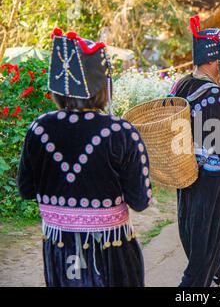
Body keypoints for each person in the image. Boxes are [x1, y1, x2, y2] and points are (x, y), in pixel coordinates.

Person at [16, 28, 152, 287]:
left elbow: (25, 190)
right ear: (103, 86)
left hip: (59, 249)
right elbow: (141, 200)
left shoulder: (39, 128)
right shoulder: (120, 131)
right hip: (111, 251)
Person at [170, 15, 220, 287]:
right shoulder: (217, 97)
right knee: (202, 264)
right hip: (214, 186)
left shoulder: (181, 86)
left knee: (197, 251)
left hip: (188, 180)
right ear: (211, 59)